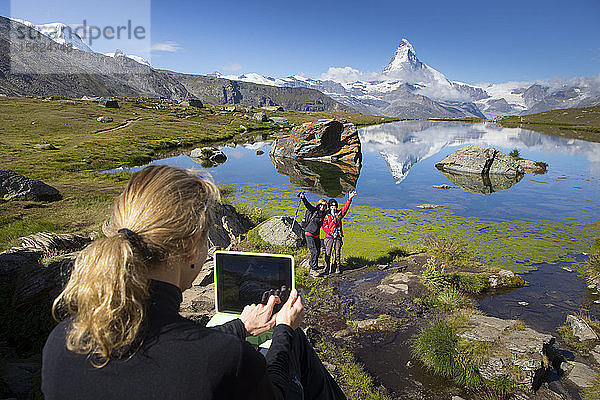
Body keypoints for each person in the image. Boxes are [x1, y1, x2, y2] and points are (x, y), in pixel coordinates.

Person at [42, 165, 346, 400]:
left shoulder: (61, 342)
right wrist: (284, 332)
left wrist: (241, 327)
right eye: (206, 241)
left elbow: (163, 344)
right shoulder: (224, 359)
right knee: (297, 347)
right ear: (190, 248)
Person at [322, 191, 356, 274]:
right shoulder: (326, 216)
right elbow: (324, 226)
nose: (334, 208)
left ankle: (337, 266)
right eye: (332, 206)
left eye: (335, 206)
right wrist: (331, 232)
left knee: (337, 252)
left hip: (338, 236)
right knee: (328, 252)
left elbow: (345, 208)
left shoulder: (339, 214)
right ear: (329, 207)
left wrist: (349, 198)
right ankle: (327, 267)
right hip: (329, 237)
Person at [299, 193, 328, 277]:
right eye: (321, 205)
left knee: (318, 251)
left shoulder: (324, 214)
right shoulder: (314, 210)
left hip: (316, 235)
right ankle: (313, 269)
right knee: (314, 251)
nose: (322, 207)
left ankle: (311, 264)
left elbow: (335, 210)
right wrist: (303, 198)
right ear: (318, 205)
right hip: (309, 233)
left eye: (324, 206)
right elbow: (307, 205)